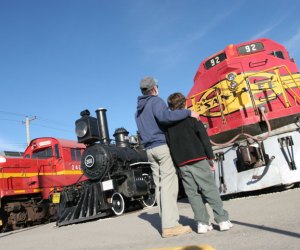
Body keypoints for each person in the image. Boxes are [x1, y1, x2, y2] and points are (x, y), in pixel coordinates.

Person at [135, 76, 198, 238]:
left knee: (160, 187)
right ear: (154, 88)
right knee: (169, 186)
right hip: (161, 147)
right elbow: (165, 117)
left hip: (149, 150)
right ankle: (171, 225)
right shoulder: (156, 101)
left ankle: (166, 222)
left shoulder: (138, 111)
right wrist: (188, 112)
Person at [166, 92, 232, 234]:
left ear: (170, 107)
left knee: (192, 194)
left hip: (182, 163)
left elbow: (170, 146)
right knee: (209, 189)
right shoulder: (193, 118)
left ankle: (202, 223)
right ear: (184, 104)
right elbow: (204, 138)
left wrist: (177, 165)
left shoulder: (168, 127)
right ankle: (222, 220)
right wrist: (210, 157)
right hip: (198, 158)